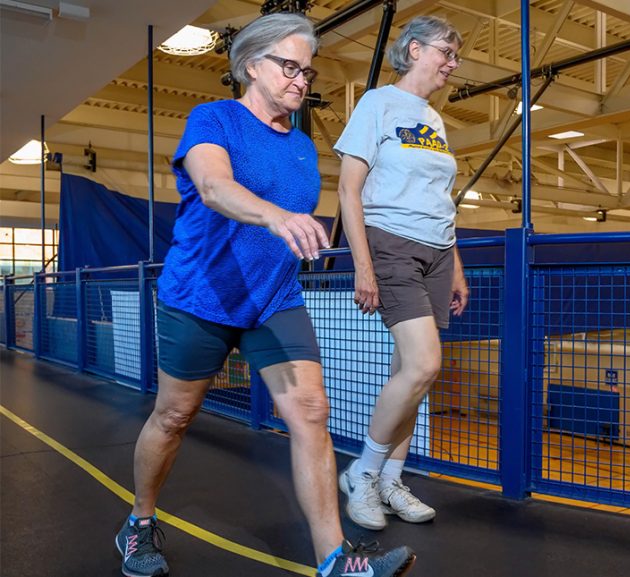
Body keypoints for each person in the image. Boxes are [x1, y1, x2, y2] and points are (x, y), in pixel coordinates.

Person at [114, 13, 415, 577]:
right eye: (289, 66)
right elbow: (212, 185)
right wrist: (276, 217)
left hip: (274, 301)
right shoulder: (215, 119)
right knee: (174, 416)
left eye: (308, 70)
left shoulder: (302, 148)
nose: (302, 80)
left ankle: (335, 558)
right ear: (251, 66)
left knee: (310, 412)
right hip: (200, 297)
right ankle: (140, 521)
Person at [333, 14, 469, 531]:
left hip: (438, 250)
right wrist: (362, 265)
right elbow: (349, 189)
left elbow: (441, 201)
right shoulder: (376, 104)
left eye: (455, 57)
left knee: (410, 377)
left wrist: (454, 265)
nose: (451, 65)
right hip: (392, 245)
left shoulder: (433, 120)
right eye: (445, 53)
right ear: (413, 50)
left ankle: (391, 477)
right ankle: (363, 473)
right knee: (423, 366)